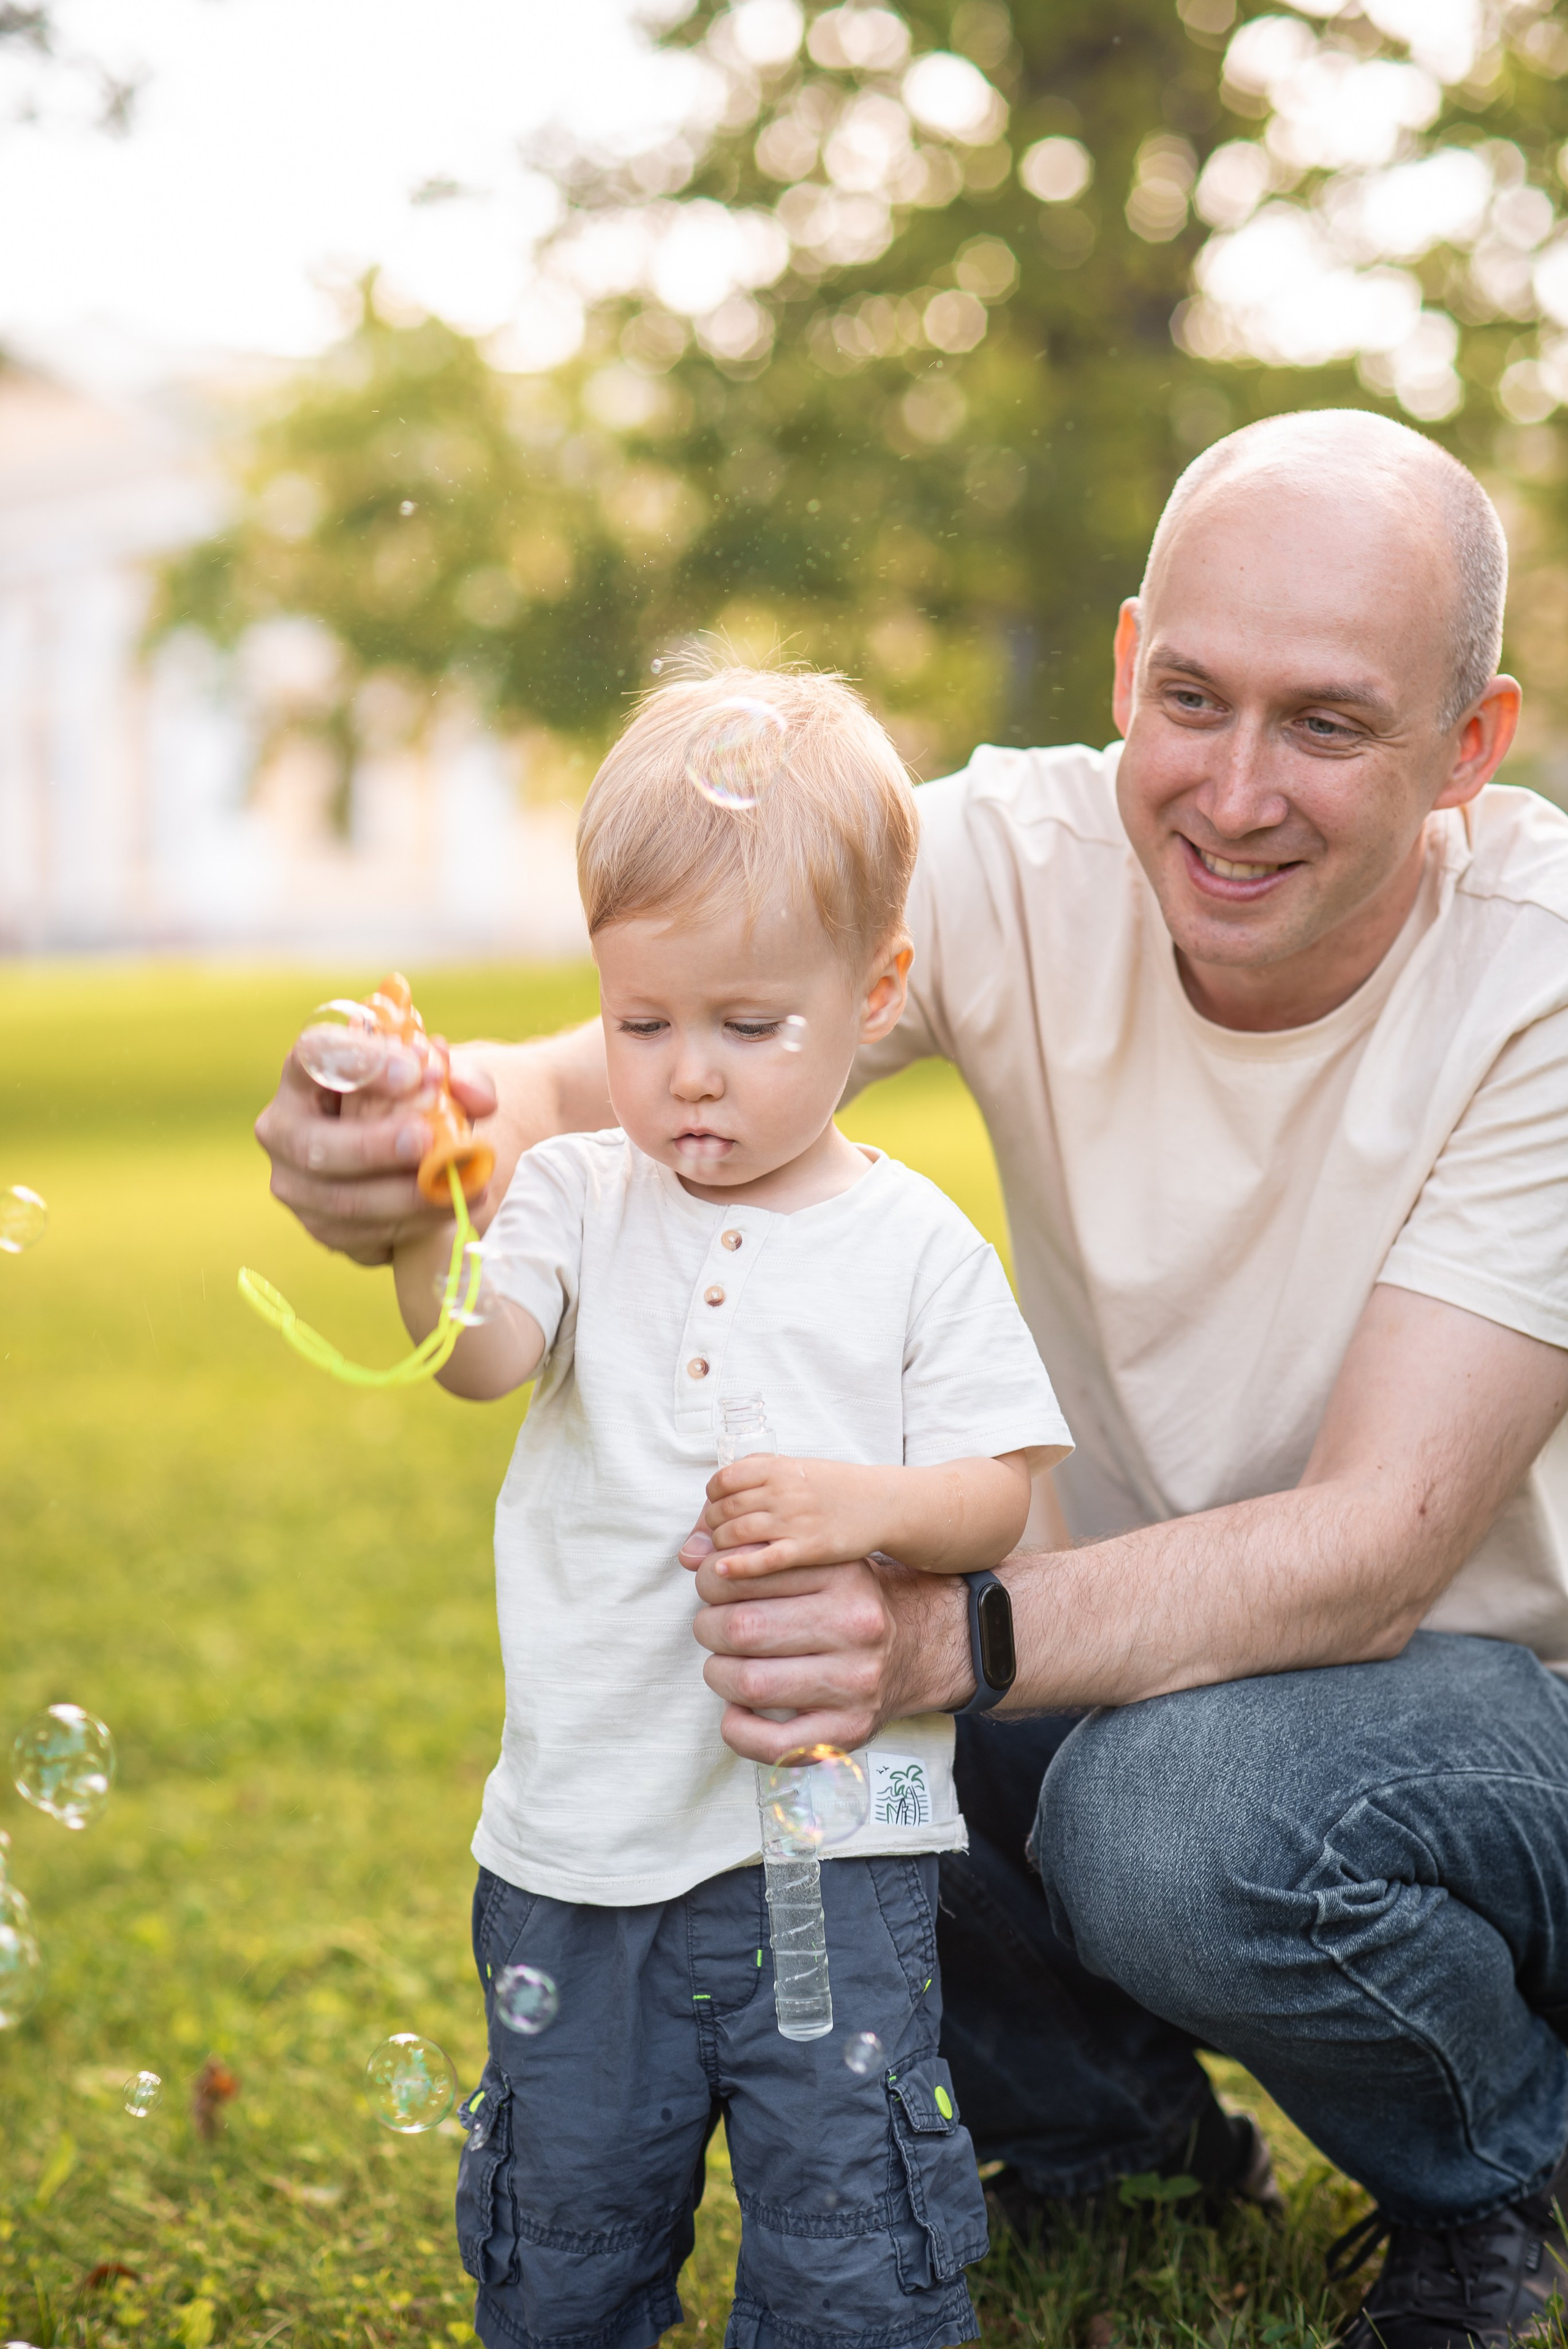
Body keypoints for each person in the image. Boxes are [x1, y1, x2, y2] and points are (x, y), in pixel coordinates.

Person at [257, 411, 1568, 2349]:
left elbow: (1378, 1548)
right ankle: (1119, 2145)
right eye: (1191, 697)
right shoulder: (1021, 852)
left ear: (1471, 747)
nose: (1230, 788)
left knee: (1158, 1812)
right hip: (1135, 1652)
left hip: (1490, 1715)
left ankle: (1492, 2164)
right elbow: (665, 1027)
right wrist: (431, 1126)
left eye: (1327, 724)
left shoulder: (1536, 974)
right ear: (1128, 665)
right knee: (799, 1719)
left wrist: (939, 1641)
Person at [402, 663, 1071, 2349]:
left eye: (748, 1027)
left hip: (827, 1851)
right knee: (567, 2221)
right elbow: (478, 1356)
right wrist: (429, 1212)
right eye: (642, 1024)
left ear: (874, 993)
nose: (687, 1076)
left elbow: (1001, 1498)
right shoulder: (572, 1193)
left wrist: (860, 1501)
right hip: (583, 1845)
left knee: (847, 2222)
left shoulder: (915, 1244)